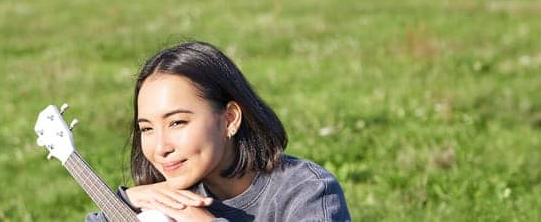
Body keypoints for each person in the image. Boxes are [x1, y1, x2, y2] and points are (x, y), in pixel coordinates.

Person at [85, 41, 351, 222]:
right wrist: (126, 200)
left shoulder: (307, 192)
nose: (160, 147)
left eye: (177, 122)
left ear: (230, 119)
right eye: (147, 128)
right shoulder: (165, 200)